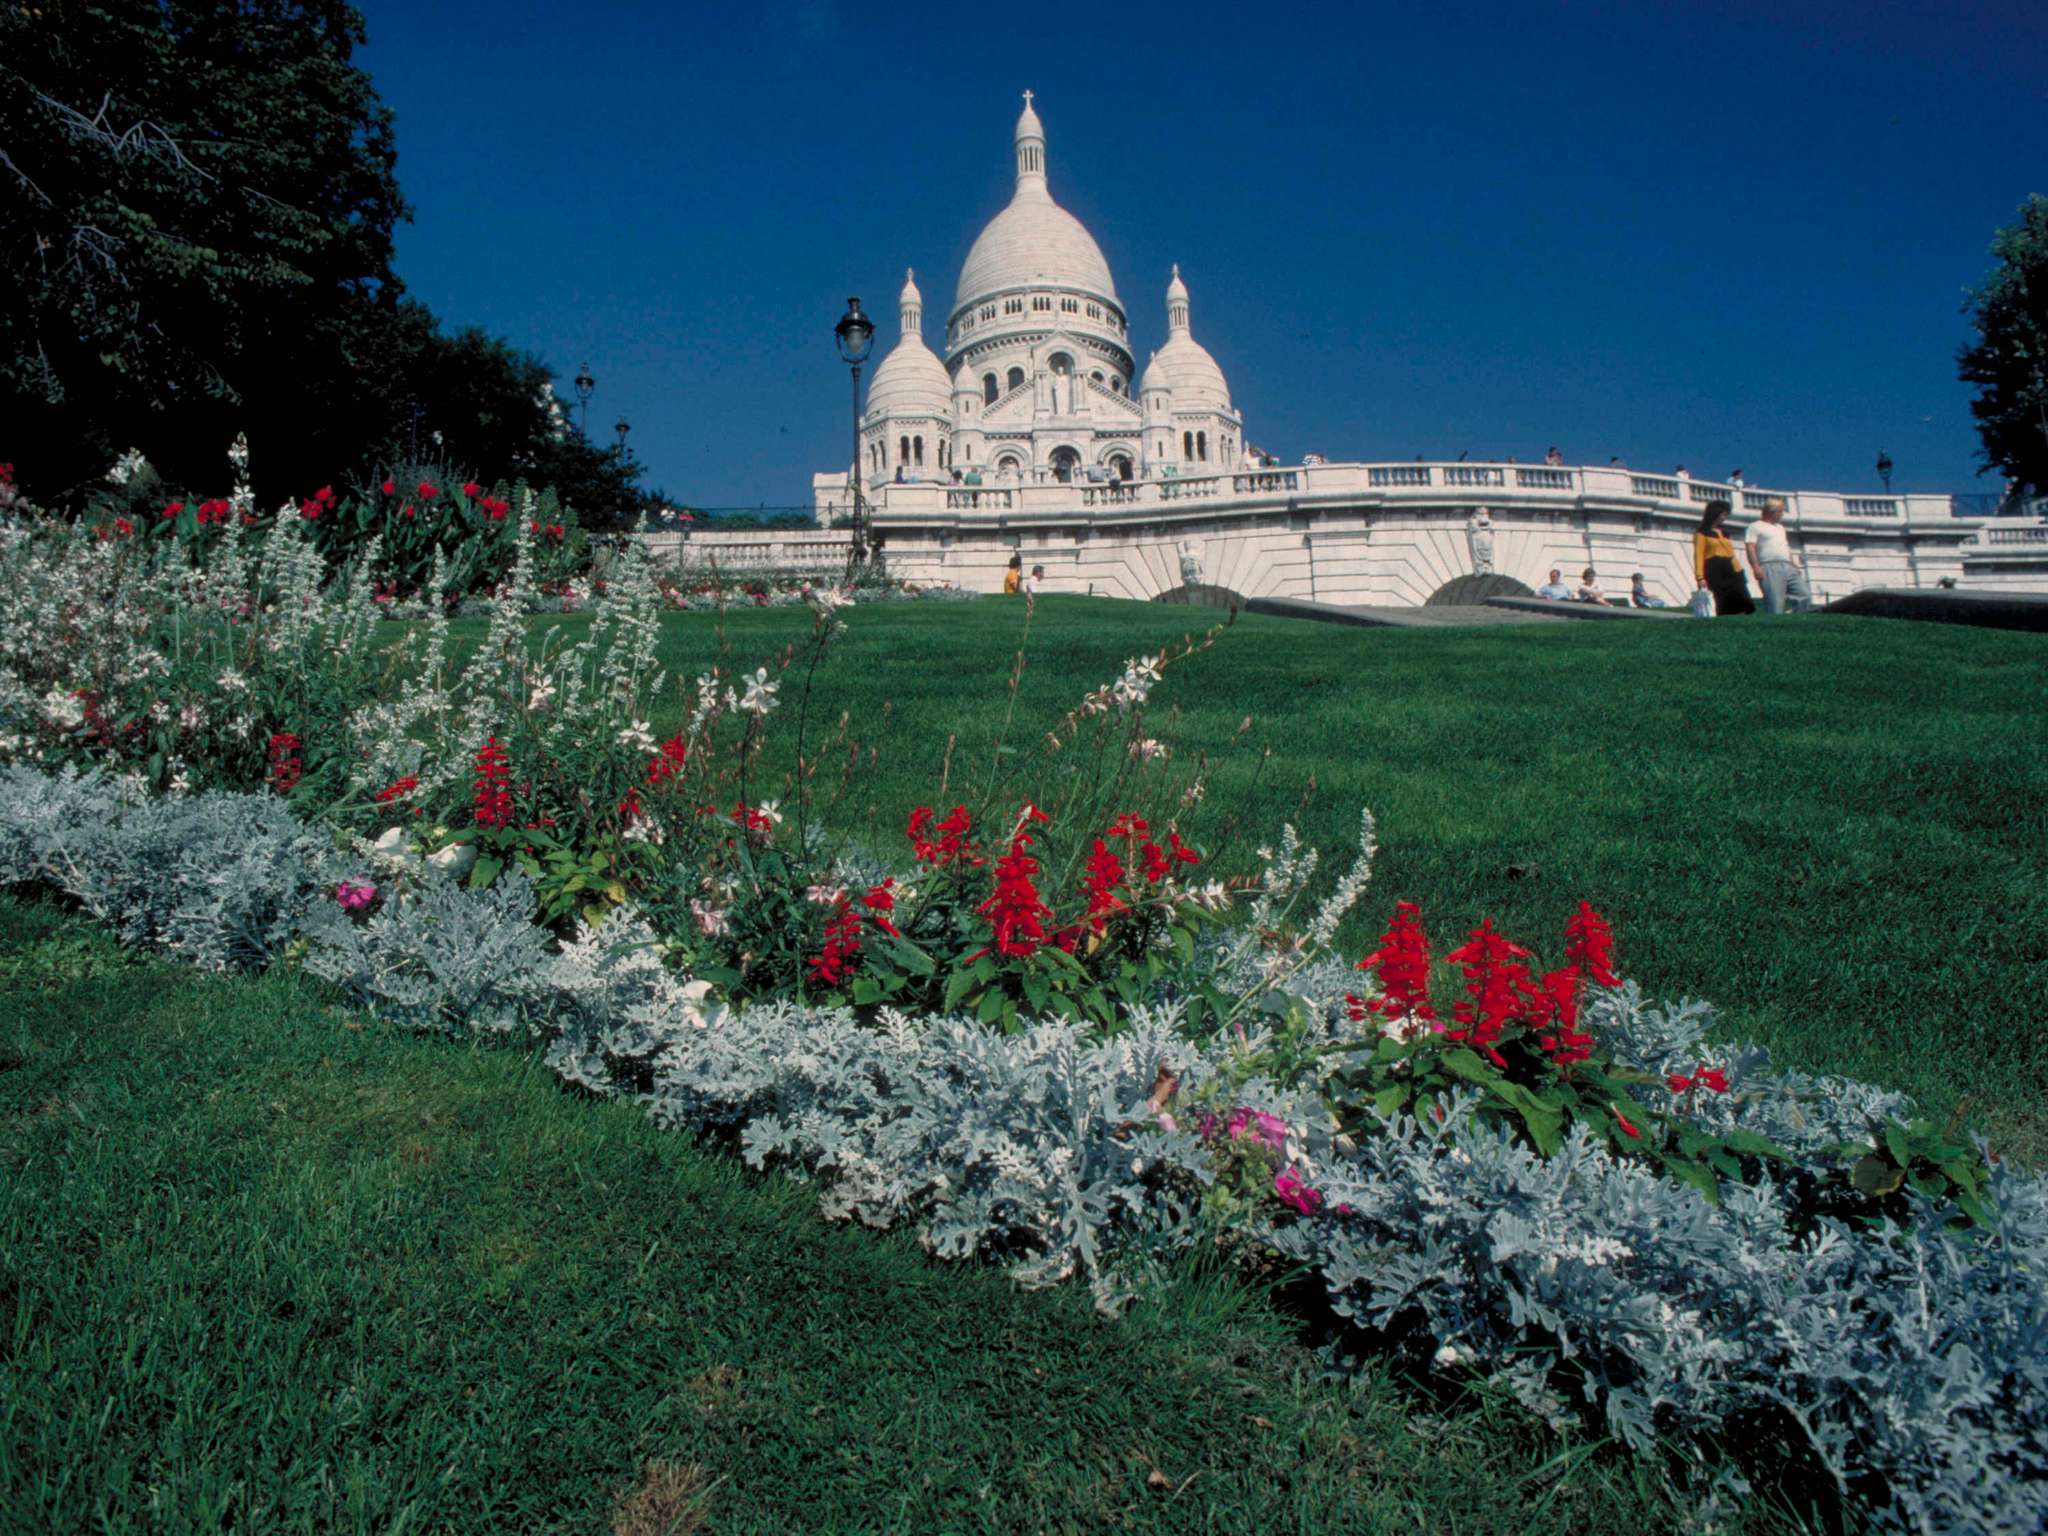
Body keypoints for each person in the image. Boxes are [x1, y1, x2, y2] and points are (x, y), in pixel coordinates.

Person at [1745, 498, 1813, 614]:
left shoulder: (1780, 528)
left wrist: (1794, 565)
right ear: (1772, 511)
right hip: (1769, 566)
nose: (1782, 514)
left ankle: (1794, 620)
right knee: (1775, 604)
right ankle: (1776, 628)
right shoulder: (1755, 526)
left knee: (1805, 595)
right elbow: (1750, 548)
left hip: (1788, 566)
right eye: (1780, 511)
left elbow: (1786, 547)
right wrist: (1756, 567)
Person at [1693, 500, 1754, 616]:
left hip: (1732, 568)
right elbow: (1698, 555)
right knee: (1723, 601)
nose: (1725, 517)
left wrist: (1739, 570)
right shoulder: (1701, 533)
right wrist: (1700, 577)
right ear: (1715, 513)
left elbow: (1731, 553)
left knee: (1742, 598)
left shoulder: (1724, 533)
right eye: (1723, 514)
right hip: (1715, 570)